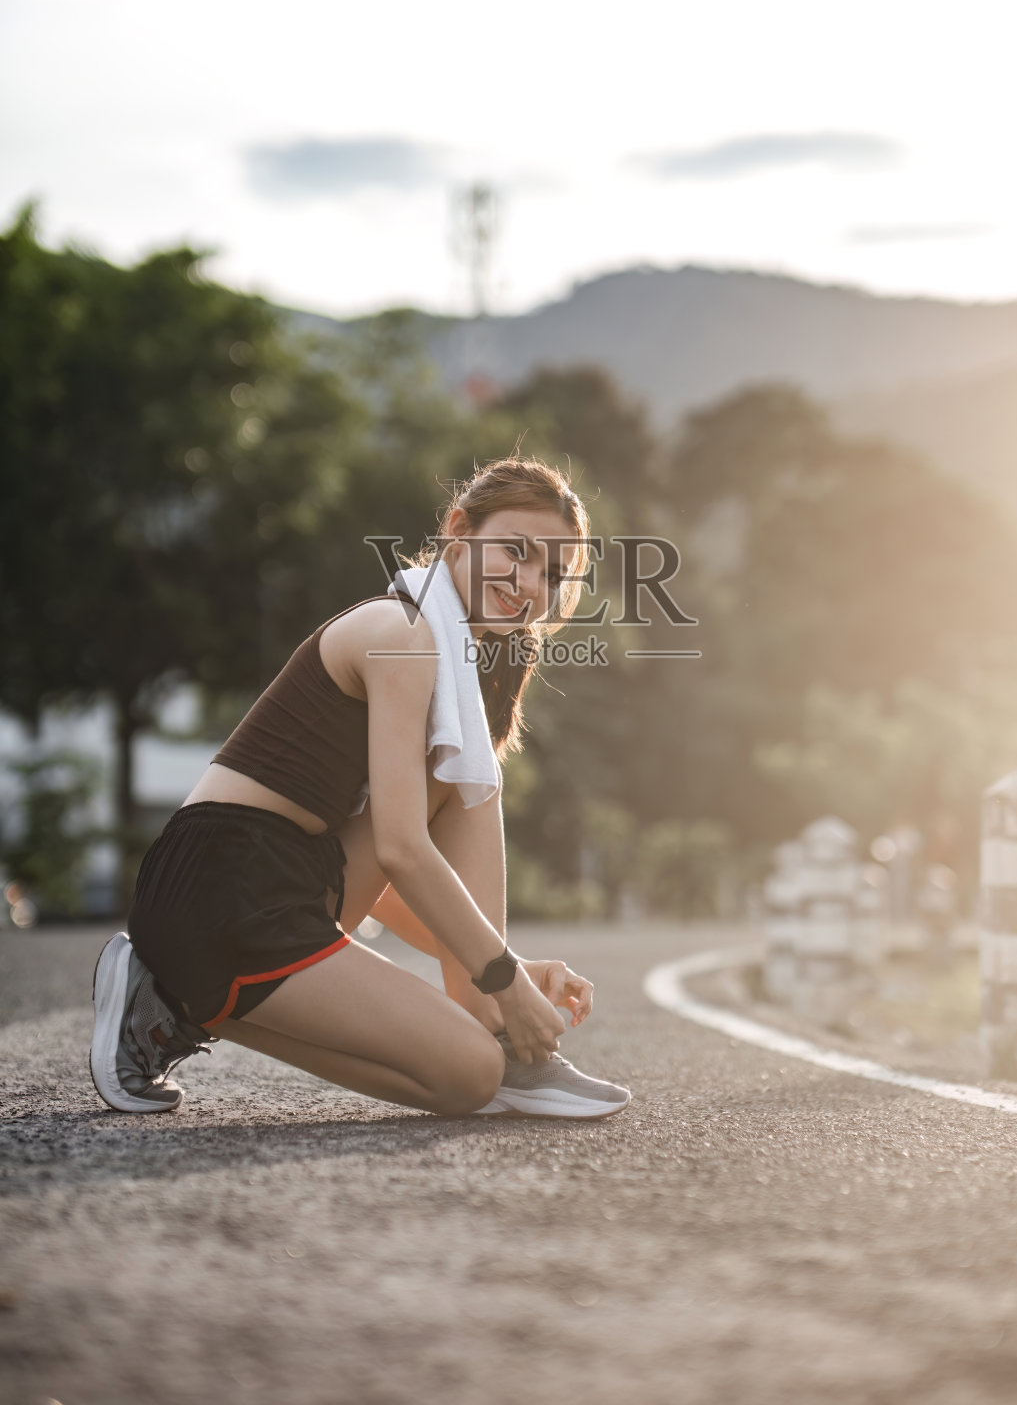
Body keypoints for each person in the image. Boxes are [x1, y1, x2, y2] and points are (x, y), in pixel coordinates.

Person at [91, 458, 630, 1121]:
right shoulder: (397, 635)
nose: (528, 584)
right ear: (458, 529)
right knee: (470, 1068)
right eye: (515, 552)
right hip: (219, 887)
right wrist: (507, 979)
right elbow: (403, 849)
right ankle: (174, 995)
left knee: (468, 1081)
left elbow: (392, 875)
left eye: (552, 574)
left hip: (293, 882)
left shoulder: (449, 663)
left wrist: (504, 964)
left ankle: (177, 999)